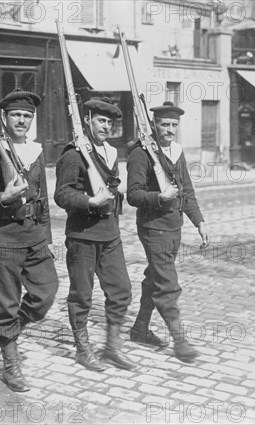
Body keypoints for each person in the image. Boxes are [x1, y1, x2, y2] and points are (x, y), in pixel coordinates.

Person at [0, 91, 58, 392]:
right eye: (16, 114)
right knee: (6, 304)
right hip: (3, 240)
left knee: (46, 292)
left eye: (27, 115)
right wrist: (1, 197)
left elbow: (42, 198)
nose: (22, 120)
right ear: (4, 118)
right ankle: (11, 365)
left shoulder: (36, 151)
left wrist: (49, 238)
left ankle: (7, 332)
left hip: (35, 238)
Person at [54, 98, 136, 372]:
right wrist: (89, 201)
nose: (106, 126)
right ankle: (83, 349)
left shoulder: (111, 152)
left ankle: (112, 347)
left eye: (110, 122)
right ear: (87, 120)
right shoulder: (73, 153)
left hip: (110, 234)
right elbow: (62, 194)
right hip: (83, 235)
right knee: (82, 295)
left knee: (121, 289)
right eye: (101, 120)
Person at [126, 101, 210, 363]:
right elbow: (133, 195)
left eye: (174, 125)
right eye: (164, 124)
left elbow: (187, 189)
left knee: (155, 277)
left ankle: (140, 328)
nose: (170, 129)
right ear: (154, 125)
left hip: (174, 227)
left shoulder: (176, 151)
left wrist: (199, 222)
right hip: (153, 227)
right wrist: (160, 197)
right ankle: (180, 341)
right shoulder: (141, 153)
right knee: (167, 283)